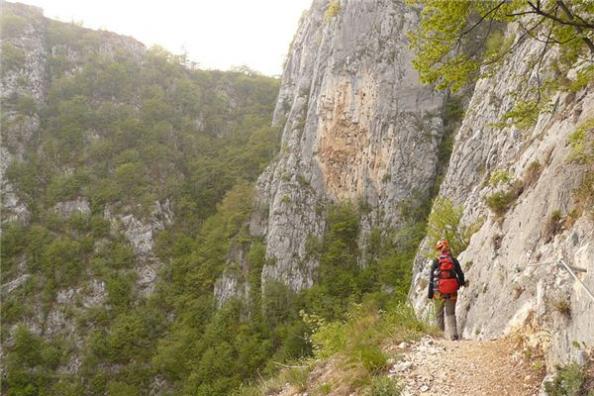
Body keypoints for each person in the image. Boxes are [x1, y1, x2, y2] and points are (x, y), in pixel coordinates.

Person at [427, 239, 465, 340]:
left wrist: (430, 293)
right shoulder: (453, 260)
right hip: (452, 291)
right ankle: (453, 335)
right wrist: (461, 283)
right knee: (451, 313)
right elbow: (460, 274)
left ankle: (440, 337)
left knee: (439, 314)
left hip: (438, 292)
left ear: (438, 249)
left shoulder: (436, 261)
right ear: (448, 248)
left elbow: (431, 278)